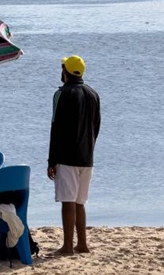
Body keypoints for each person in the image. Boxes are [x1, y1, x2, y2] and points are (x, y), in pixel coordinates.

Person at [47, 55, 101, 256]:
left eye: (62, 68)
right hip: (87, 157)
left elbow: (56, 129)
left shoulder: (61, 94)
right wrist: (89, 148)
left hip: (67, 156)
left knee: (67, 201)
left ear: (66, 71)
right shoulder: (93, 94)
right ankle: (83, 244)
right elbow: (96, 126)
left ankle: (68, 246)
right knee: (80, 202)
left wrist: (52, 161)